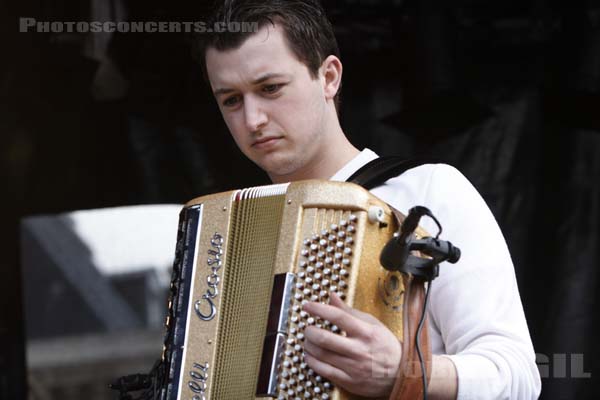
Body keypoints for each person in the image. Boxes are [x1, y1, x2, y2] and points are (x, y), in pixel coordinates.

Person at [197, 0, 542, 398]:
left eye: (270, 88)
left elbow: (517, 375)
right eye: (231, 100)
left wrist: (403, 371)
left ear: (328, 77)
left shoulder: (427, 191)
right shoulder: (226, 235)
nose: (253, 119)